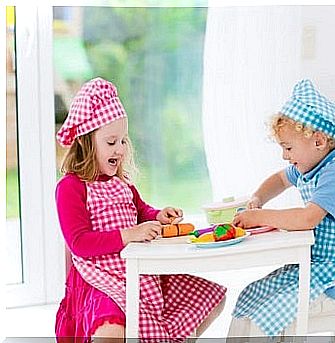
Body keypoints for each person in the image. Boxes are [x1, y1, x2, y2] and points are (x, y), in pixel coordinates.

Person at [54, 77, 226, 342]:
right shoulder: (71, 187)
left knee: (210, 299)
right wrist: (129, 235)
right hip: (98, 279)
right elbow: (79, 243)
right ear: (86, 143)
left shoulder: (122, 184)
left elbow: (140, 210)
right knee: (110, 331)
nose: (120, 149)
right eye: (111, 142)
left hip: (139, 273)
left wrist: (157, 215)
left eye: (123, 141)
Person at [228, 79, 335, 337]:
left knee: (266, 318)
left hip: (333, 280)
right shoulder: (311, 166)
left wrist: (258, 216)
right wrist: (258, 198)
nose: (285, 155)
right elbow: (280, 179)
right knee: (247, 299)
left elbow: (307, 219)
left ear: (318, 141)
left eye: (288, 147)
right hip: (311, 267)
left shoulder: (334, 173)